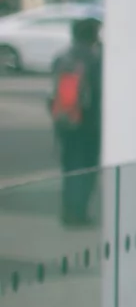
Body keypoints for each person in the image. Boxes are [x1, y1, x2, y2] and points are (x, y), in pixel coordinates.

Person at [47, 17, 102, 226]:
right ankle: (80, 212)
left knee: (69, 168)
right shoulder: (96, 59)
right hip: (88, 124)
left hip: (65, 121)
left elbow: (52, 92)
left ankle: (68, 210)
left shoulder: (62, 57)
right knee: (86, 168)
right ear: (93, 35)